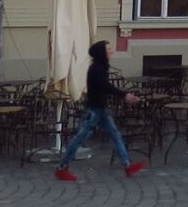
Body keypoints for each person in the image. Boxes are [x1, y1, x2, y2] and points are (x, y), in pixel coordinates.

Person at [54, 41, 147, 181]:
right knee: (80, 138)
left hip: (100, 109)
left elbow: (105, 86)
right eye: (108, 49)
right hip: (95, 110)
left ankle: (128, 165)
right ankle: (62, 168)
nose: (111, 51)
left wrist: (123, 95)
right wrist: (124, 95)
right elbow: (105, 86)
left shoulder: (100, 67)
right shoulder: (97, 69)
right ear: (101, 52)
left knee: (115, 135)